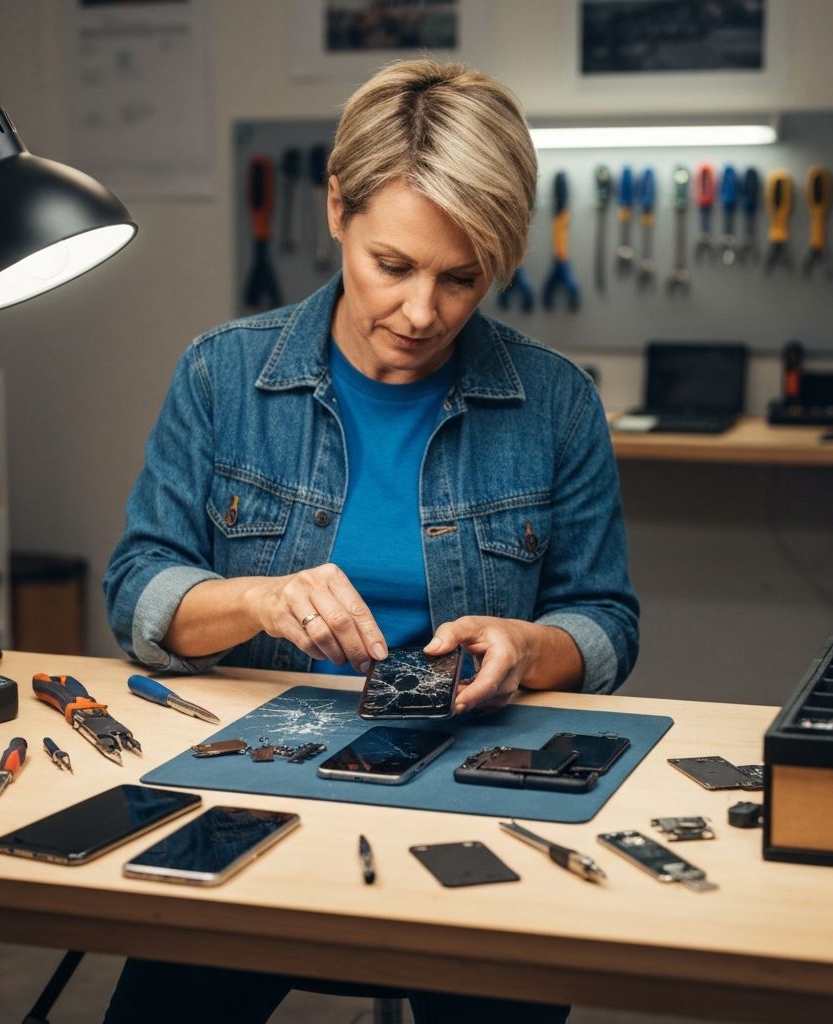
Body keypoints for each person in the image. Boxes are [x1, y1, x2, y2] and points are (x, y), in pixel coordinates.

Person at [102, 58, 638, 1024]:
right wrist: (256, 601)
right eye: (394, 266)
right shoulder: (222, 377)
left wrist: (528, 647)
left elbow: (604, 622)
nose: (423, 313)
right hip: (256, 785)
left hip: (485, 792)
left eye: (462, 277)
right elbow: (138, 589)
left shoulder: (555, 400)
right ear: (337, 209)